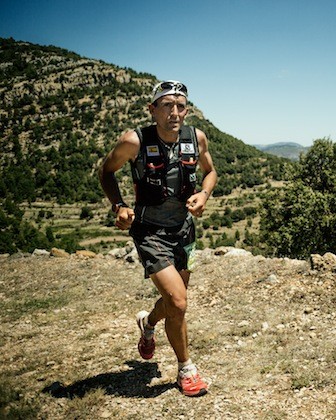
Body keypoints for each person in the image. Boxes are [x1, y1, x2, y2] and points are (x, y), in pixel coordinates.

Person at [99, 80, 217, 397]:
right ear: (153, 110)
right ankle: (186, 369)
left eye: (180, 106)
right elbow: (105, 171)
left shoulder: (197, 138)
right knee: (178, 302)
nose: (174, 112)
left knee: (171, 303)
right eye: (166, 105)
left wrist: (204, 194)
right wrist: (119, 206)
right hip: (149, 230)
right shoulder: (134, 141)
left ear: (187, 110)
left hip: (184, 231)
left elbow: (210, 172)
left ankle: (148, 324)